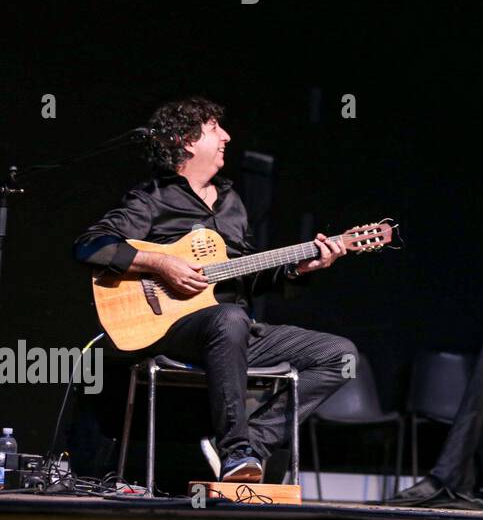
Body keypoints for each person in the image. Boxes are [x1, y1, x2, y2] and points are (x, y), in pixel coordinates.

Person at [74, 97, 357, 484]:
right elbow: (90, 245)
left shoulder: (231, 202)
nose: (226, 136)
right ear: (187, 141)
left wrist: (297, 268)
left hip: (235, 331)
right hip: (174, 332)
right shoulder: (154, 197)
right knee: (229, 317)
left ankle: (255, 442)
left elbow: (249, 274)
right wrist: (161, 263)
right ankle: (235, 451)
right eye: (213, 129)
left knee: (340, 355)